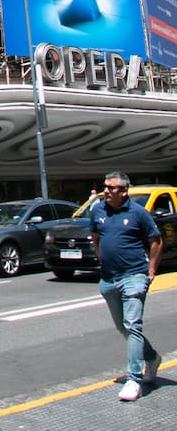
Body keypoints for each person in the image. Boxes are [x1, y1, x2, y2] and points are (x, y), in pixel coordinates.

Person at [90, 171, 162, 401]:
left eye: (111, 188)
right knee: (124, 328)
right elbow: (95, 237)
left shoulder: (138, 213)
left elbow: (156, 241)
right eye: (105, 187)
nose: (106, 191)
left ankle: (134, 379)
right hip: (108, 279)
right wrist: (102, 259)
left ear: (124, 191)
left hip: (134, 277)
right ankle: (152, 358)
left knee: (132, 326)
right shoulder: (97, 210)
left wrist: (151, 270)